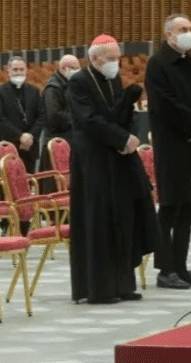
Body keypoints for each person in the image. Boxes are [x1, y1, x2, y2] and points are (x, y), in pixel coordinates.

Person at [67, 35, 157, 304]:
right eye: (111, 59)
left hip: (117, 159)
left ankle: (123, 284)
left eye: (118, 58)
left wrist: (131, 137)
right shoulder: (79, 82)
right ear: (94, 59)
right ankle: (100, 288)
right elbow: (89, 120)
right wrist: (121, 139)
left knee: (123, 218)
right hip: (92, 159)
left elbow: (124, 113)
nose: (116, 64)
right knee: (100, 220)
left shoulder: (113, 79)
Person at [145, 13, 191, 290]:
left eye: (190, 28)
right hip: (173, 145)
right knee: (171, 208)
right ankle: (165, 269)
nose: (188, 32)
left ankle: (182, 267)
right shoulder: (158, 64)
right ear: (168, 35)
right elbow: (165, 104)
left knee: (188, 209)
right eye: (182, 29)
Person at [0, 56, 45, 173]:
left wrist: (30, 136)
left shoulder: (34, 91)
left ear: (26, 70)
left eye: (21, 69)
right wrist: (20, 136)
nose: (18, 72)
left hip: (30, 146)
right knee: (8, 188)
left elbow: (41, 116)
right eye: (15, 69)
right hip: (8, 146)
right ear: (8, 71)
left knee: (29, 183)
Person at [39, 54, 80, 181]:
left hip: (71, 141)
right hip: (56, 143)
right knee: (55, 185)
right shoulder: (53, 88)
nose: (77, 72)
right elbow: (55, 116)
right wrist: (78, 118)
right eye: (74, 68)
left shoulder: (72, 85)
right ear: (64, 68)